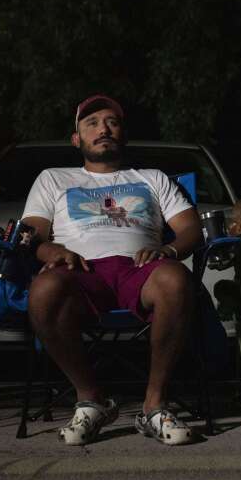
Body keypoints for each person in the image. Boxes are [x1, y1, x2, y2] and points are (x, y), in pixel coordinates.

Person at [23, 95, 202, 446]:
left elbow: (191, 230)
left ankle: (154, 406)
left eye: (112, 122)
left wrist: (168, 249)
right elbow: (32, 237)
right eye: (91, 123)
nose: (103, 129)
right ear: (76, 139)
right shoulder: (53, 179)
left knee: (176, 279)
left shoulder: (152, 178)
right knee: (43, 289)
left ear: (122, 133)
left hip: (141, 268)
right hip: (81, 271)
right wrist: (54, 250)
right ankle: (92, 400)